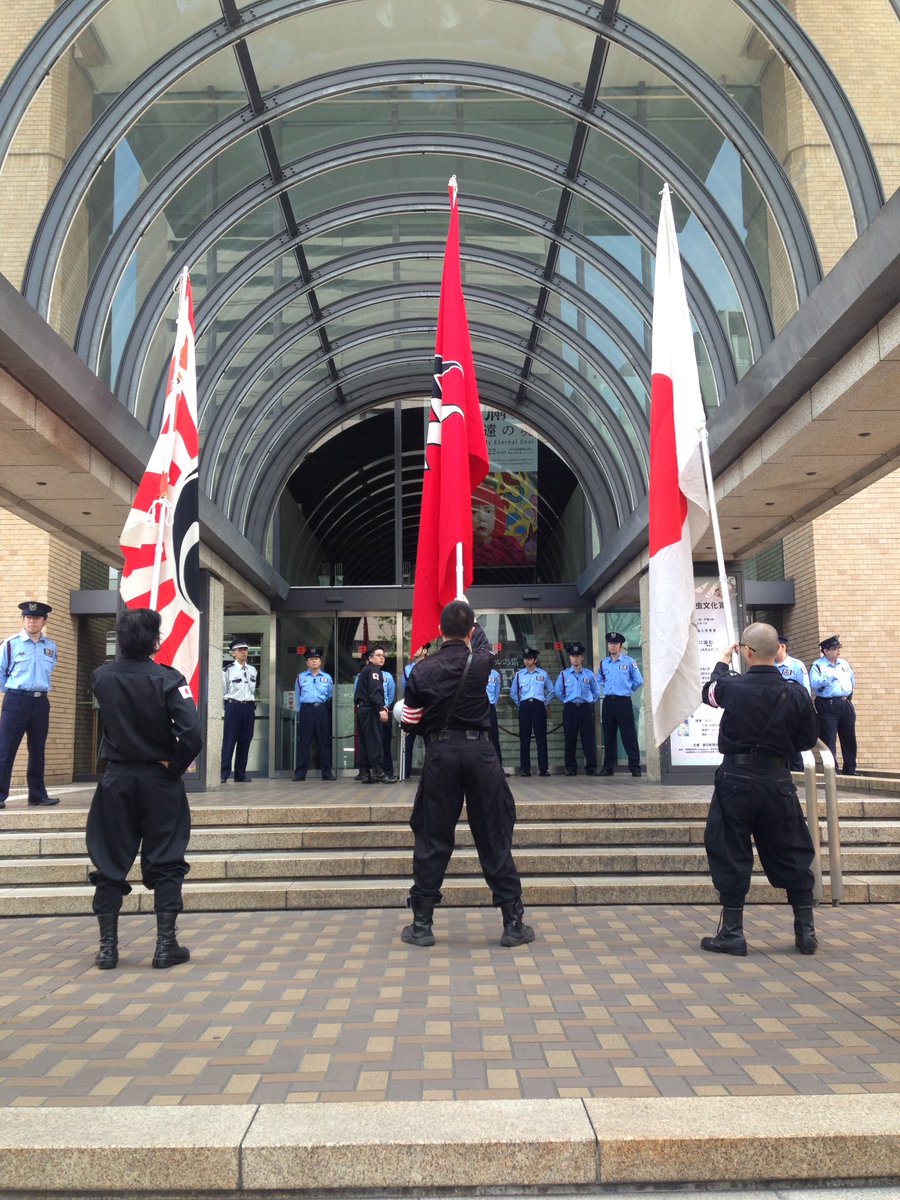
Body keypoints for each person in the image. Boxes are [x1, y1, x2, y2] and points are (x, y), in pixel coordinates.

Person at [400, 599, 535, 949]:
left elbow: (411, 721)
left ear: (440, 631)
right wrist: (472, 620)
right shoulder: (483, 661)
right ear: (472, 631)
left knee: (432, 834)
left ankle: (422, 923)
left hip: (441, 754)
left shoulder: (422, 671)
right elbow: (483, 642)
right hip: (480, 754)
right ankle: (513, 922)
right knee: (493, 831)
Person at [86, 607, 202, 971]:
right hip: (159, 778)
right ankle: (165, 945)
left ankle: (108, 948)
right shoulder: (169, 678)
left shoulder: (101, 677)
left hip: (116, 778)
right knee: (166, 858)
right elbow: (192, 733)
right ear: (154, 640)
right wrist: (176, 763)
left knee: (108, 859)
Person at [699, 622, 820, 957]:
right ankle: (805, 930)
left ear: (747, 652)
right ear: (776, 651)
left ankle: (733, 933)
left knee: (730, 850)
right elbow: (808, 739)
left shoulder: (732, 688)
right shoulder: (795, 691)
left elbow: (709, 691)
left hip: (736, 778)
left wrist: (723, 662)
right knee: (792, 848)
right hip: (777, 780)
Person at [0, 601, 60, 808]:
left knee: (37, 749)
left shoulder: (50, 647)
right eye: (27, 618)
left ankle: (37, 794)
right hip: (16, 700)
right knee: (6, 748)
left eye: (35, 618)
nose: (31, 622)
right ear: (23, 619)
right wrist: (14, 692)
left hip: (41, 701)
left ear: (44, 621)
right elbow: (1, 673)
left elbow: (48, 673)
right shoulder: (10, 644)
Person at [810, 635, 857, 775]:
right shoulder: (818, 665)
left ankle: (850, 769)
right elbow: (815, 684)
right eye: (834, 648)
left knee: (849, 737)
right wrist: (829, 677)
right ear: (825, 651)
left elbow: (851, 681)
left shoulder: (844, 664)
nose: (838, 651)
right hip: (827, 704)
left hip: (845, 702)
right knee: (829, 737)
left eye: (838, 648)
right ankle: (832, 770)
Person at [599, 632, 643, 777]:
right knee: (608, 735)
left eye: (615, 644)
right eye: (610, 644)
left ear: (620, 646)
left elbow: (639, 681)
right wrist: (603, 686)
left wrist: (627, 689)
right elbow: (598, 679)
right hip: (608, 702)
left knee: (628, 735)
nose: (612, 646)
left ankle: (635, 767)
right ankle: (608, 767)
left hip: (623, 702)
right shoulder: (604, 663)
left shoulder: (629, 662)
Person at [554, 642, 601, 776]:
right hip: (570, 709)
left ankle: (591, 768)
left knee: (588, 739)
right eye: (573, 656)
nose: (575, 658)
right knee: (570, 738)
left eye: (578, 656)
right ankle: (570, 768)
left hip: (585, 708)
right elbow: (558, 691)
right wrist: (566, 700)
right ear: (569, 658)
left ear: (582, 658)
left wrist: (590, 701)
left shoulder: (589, 675)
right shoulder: (564, 675)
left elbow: (596, 691)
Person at [293, 648, 335, 781]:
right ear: (307, 662)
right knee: (304, 742)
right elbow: (298, 696)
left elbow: (329, 695)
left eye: (316, 659)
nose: (314, 661)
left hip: (321, 710)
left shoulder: (327, 678)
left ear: (320, 661)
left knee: (324, 742)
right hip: (306, 710)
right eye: (311, 659)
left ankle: (326, 773)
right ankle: (300, 774)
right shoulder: (301, 677)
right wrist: (302, 711)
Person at [510, 647, 553, 776]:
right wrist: (521, 704)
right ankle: (525, 769)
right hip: (525, 707)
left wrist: (543, 703)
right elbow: (513, 693)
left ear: (535, 660)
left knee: (541, 738)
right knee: (524, 739)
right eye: (525, 659)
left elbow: (551, 691)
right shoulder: (519, 675)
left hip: (538, 706)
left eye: (529, 659)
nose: (527, 661)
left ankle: (543, 769)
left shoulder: (543, 674)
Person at [221, 638, 257, 783]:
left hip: (248, 707)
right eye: (240, 649)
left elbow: (252, 690)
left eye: (245, 649)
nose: (244, 652)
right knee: (230, 740)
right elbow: (223, 690)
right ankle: (224, 773)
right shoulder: (227, 670)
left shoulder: (253, 670)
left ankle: (240, 774)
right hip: (233, 706)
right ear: (233, 653)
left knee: (245, 741)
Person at [355, 645, 390, 784]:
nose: (382, 657)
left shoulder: (365, 671)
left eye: (383, 655)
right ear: (370, 658)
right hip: (370, 710)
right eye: (378, 655)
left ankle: (365, 773)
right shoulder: (374, 671)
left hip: (362, 710)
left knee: (363, 742)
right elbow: (375, 692)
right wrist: (381, 708)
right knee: (374, 741)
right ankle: (379, 772)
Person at [775, 634, 811, 771]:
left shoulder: (796, 665)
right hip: (775, 714)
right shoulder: (770, 665)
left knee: (794, 750)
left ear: (782, 647)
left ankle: (798, 777)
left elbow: (805, 691)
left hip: (792, 713)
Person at [402, 644, 430, 779]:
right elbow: (404, 689)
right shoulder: (407, 669)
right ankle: (405, 772)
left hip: (427, 710)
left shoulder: (432, 665)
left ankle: (431, 773)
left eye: (417, 647)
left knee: (429, 743)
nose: (414, 650)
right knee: (408, 744)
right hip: (412, 709)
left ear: (425, 650)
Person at [380, 663, 399, 783]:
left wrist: (386, 707)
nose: (381, 658)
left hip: (385, 712)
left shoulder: (387, 676)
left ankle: (388, 771)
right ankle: (370, 771)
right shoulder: (363, 676)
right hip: (370, 713)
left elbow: (391, 694)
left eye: (382, 656)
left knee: (385, 743)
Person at [486, 665, 503, 764]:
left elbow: (497, 692)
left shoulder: (495, 674)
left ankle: (498, 766)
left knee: (494, 737)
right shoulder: (476, 671)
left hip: (491, 706)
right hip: (479, 707)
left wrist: (493, 704)